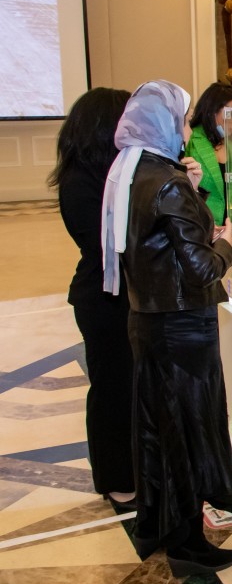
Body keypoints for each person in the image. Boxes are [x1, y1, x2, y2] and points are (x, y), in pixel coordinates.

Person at [100, 80, 232, 577]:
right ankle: (187, 543)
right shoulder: (167, 182)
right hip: (183, 327)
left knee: (160, 431)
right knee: (188, 432)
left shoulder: (130, 171)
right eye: (181, 120)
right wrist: (227, 243)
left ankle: (158, 526)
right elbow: (202, 269)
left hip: (148, 319)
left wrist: (192, 187)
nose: (186, 128)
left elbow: (158, 242)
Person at [49, 87, 136, 505]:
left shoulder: (113, 172)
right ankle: (116, 479)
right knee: (112, 389)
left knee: (131, 386)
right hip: (103, 300)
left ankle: (136, 467)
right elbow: (108, 243)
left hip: (124, 295)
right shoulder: (80, 182)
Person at [185, 82, 232, 227]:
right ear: (212, 111)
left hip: (230, 234)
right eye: (231, 114)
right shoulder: (191, 141)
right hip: (199, 231)